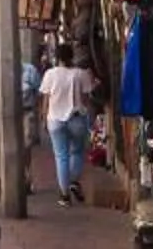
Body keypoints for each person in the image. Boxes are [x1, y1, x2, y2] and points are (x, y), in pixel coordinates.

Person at [42, 43, 99, 204]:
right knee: (77, 152)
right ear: (72, 56)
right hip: (77, 118)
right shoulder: (81, 74)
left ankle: (64, 195)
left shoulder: (50, 74)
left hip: (55, 120)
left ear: (57, 57)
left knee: (61, 156)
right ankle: (73, 181)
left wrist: (44, 117)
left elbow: (46, 99)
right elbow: (87, 99)